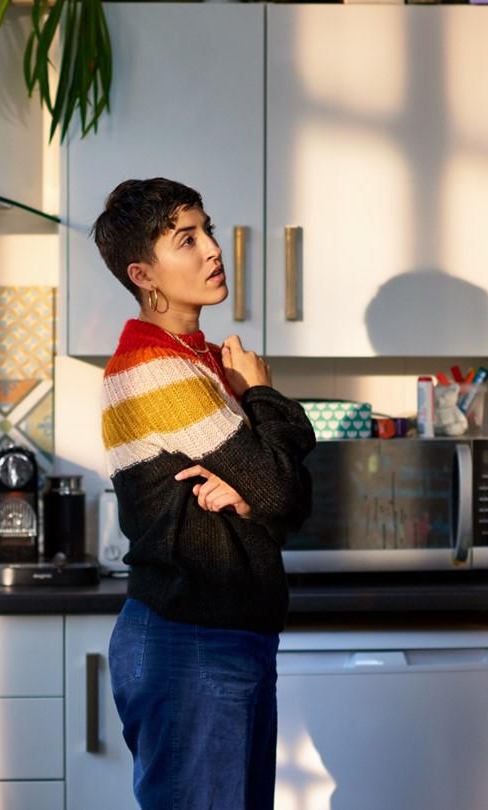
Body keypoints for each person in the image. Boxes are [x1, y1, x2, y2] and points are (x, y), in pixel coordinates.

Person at [93, 177, 317, 809]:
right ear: (144, 274)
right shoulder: (153, 367)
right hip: (188, 641)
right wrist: (263, 397)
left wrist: (258, 489)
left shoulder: (205, 361)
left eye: (207, 230)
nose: (213, 250)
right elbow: (279, 484)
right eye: (186, 240)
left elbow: (293, 497)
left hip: (228, 635)